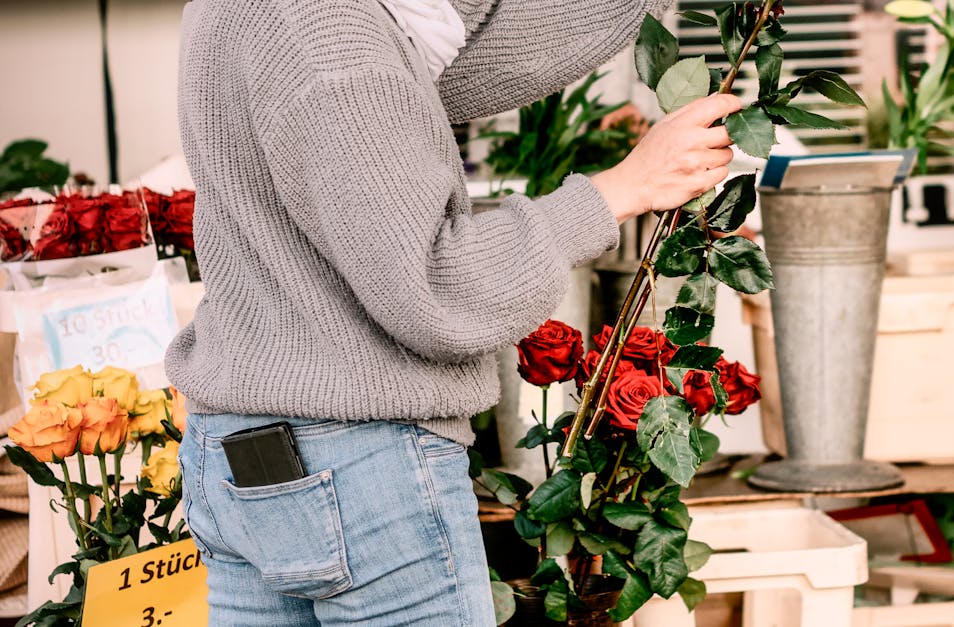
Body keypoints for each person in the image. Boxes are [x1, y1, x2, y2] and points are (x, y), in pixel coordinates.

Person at [169, 0, 740, 624]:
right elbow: (434, 287)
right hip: (359, 466)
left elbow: (449, 69)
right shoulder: (330, 33)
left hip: (236, 453)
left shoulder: (241, 13)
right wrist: (625, 187)